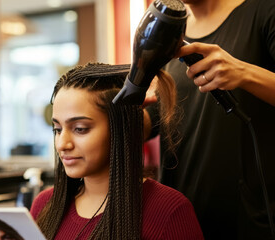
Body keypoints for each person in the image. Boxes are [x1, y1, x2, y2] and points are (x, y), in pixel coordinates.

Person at [144, 0, 275, 239]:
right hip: (183, 218)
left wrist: (244, 73)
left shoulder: (265, 10)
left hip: (251, 219)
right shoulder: (170, 28)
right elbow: (160, 115)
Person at [30, 62, 204, 239]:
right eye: (57, 130)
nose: (62, 144)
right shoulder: (44, 205)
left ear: (120, 127)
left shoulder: (169, 211)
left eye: (80, 129)